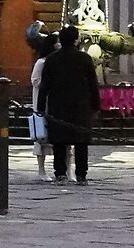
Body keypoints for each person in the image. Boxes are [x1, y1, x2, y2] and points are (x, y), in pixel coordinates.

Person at [36, 25, 100, 183]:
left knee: (59, 141)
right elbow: (93, 84)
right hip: (80, 106)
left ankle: (60, 173)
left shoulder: (52, 59)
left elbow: (44, 86)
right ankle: (81, 174)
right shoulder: (85, 59)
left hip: (58, 105)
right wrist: (95, 105)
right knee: (81, 142)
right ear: (76, 40)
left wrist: (40, 108)